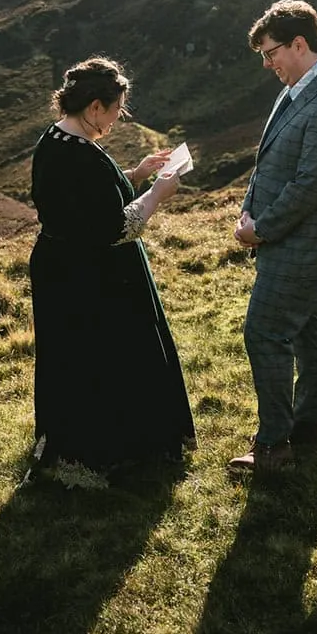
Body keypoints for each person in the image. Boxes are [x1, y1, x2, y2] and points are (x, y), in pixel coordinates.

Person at [28, 56, 196, 481]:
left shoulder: (56, 141)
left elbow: (83, 200)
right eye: (117, 108)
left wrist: (135, 174)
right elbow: (116, 226)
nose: (120, 117)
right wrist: (157, 193)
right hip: (92, 276)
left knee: (72, 357)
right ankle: (115, 447)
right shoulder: (80, 155)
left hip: (60, 268)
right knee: (105, 355)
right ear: (95, 107)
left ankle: (75, 439)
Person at [231, 0, 317, 474]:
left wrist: (260, 230)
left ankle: (273, 447)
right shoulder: (298, 87)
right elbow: (273, 158)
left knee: (265, 332)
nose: (267, 64)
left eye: (270, 53)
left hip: (302, 243)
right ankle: (310, 424)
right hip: (285, 237)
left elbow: (310, 185)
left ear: (299, 44)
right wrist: (251, 205)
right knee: (309, 329)